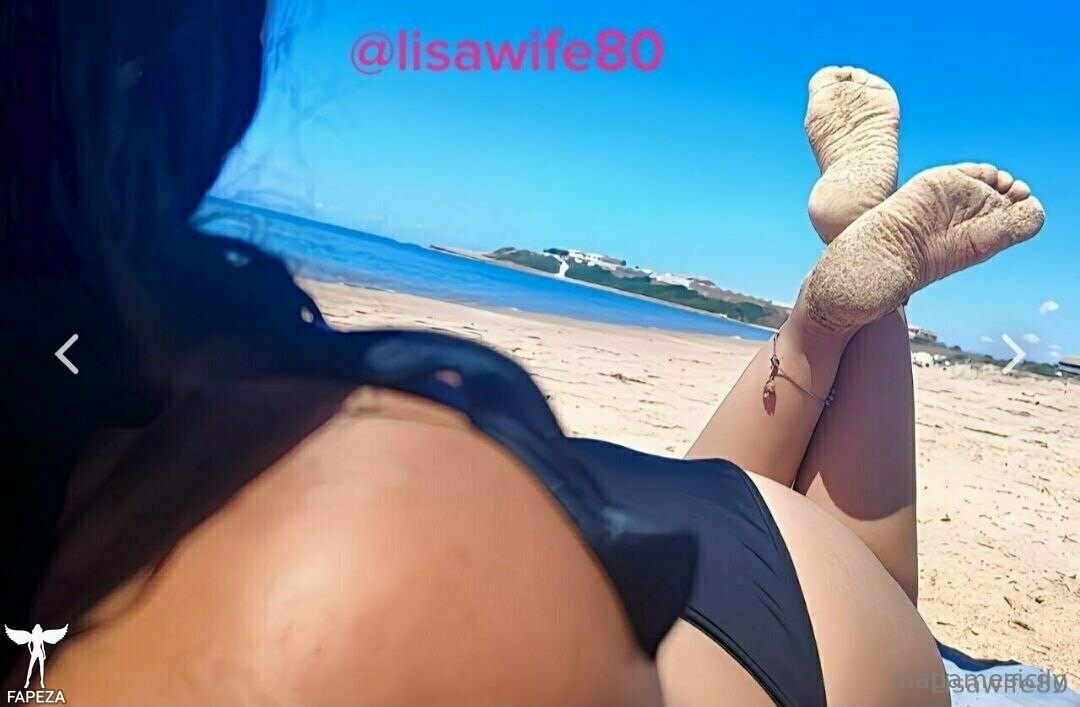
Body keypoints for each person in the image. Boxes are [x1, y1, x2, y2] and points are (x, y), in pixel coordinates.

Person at [1, 2, 1044, 704]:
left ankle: (834, 306)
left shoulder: (282, 617)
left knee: (878, 595)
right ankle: (830, 306)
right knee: (849, 566)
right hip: (677, 524)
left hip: (720, 609)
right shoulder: (155, 360)